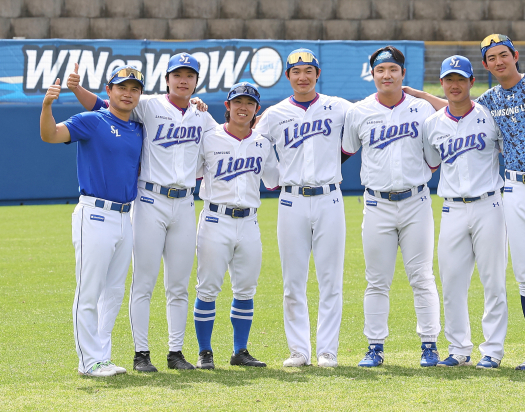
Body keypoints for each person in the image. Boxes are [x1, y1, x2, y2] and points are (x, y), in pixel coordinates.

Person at [405, 35, 525, 371]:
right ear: (485, 65)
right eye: (491, 57)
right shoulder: (490, 101)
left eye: (503, 55)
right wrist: (420, 95)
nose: (498, 61)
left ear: (515, 55)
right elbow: (456, 109)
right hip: (515, 189)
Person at [68, 53, 219, 372]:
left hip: (185, 203)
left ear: (196, 82)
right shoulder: (147, 105)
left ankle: (176, 352)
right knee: (143, 283)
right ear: (166, 80)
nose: (183, 80)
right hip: (150, 200)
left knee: (179, 284)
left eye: (189, 76)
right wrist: (76, 89)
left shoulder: (202, 116)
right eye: (177, 74)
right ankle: (141, 354)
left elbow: (223, 144)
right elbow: (103, 107)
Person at [41, 66, 145, 376]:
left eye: (134, 88)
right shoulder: (92, 121)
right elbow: (50, 135)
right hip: (95, 214)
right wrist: (47, 105)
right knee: (89, 290)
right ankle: (88, 361)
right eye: (121, 86)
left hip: (126, 217)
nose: (128, 92)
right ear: (108, 90)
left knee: (113, 292)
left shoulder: (138, 127)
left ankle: (102, 356)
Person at [341, 46, 442, 368]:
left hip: (416, 201)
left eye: (393, 70)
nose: (387, 75)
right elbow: (346, 149)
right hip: (377, 204)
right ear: (372, 75)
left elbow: (434, 158)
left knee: (422, 277)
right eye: (380, 70)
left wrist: (422, 95)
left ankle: (429, 344)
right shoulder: (358, 112)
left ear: (402, 74)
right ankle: (374, 346)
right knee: (376, 279)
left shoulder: (422, 109)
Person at [254, 48, 352, 368]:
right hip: (291, 198)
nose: (302, 76)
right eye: (296, 72)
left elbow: (368, 119)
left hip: (329, 198)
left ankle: (327, 350)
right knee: (292, 281)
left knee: (330, 280)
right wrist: (273, 178)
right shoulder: (274, 113)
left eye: (308, 70)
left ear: (317, 74)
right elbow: (253, 146)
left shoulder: (337, 107)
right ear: (287, 77)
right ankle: (299, 350)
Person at [422, 55, 508, 369]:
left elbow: (511, 150)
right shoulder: (432, 124)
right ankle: (459, 349)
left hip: (489, 204)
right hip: (452, 209)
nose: (454, 85)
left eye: (461, 79)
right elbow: (432, 162)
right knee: (452, 282)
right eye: (449, 79)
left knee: (493, 282)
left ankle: (493, 350)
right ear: (441, 83)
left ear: (472, 82)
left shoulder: (490, 116)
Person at [193, 82, 279, 369]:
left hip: (250, 222)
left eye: (250, 103)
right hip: (215, 218)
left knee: (245, 289)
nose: (243, 107)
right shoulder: (208, 138)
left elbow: (273, 179)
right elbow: (190, 171)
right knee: (207, 289)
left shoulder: (263, 143)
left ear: (256, 110)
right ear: (227, 106)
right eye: (238, 102)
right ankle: (205, 351)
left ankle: (240, 351)